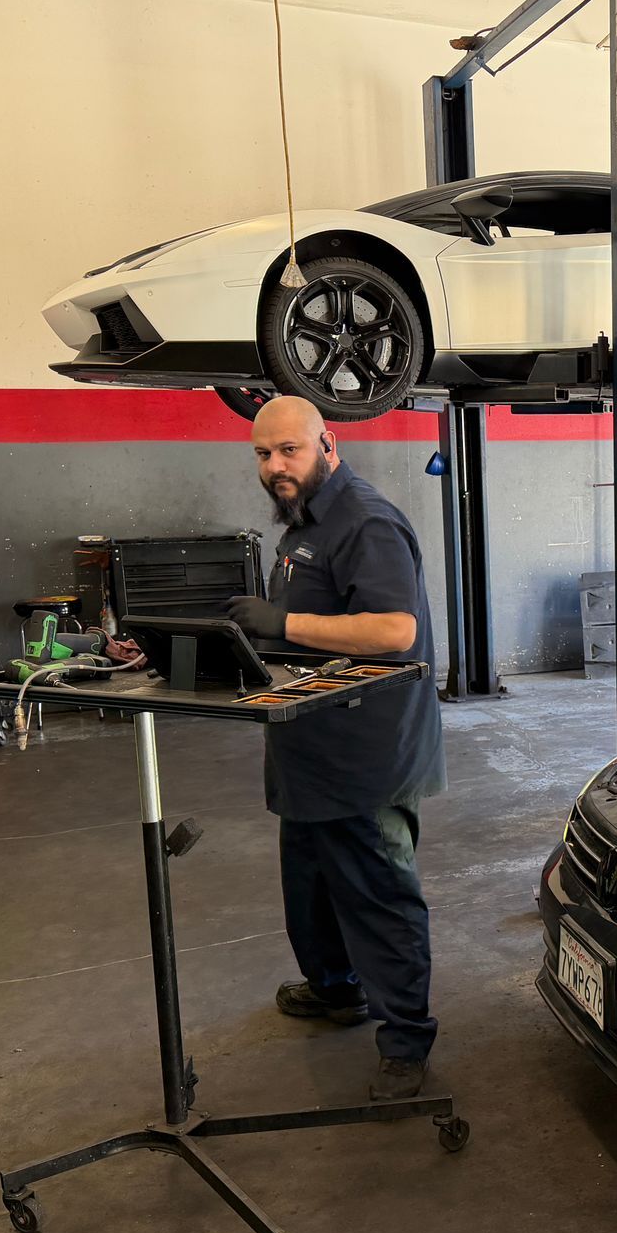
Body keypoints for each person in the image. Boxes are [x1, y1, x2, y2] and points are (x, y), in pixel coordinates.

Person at [223, 396, 446, 1101]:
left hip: (365, 757)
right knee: (311, 891)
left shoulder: (367, 521)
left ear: (328, 443)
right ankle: (336, 989)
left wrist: (283, 620)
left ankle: (406, 1041)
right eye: (263, 454)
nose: (276, 467)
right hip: (309, 745)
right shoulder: (303, 518)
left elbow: (392, 632)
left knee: (379, 898)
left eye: (289, 451)